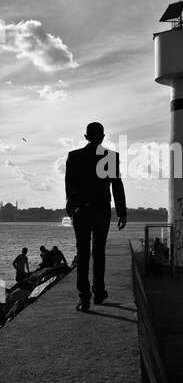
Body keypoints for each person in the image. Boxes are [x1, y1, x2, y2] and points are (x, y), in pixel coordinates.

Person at [65, 122, 127, 312]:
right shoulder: (110, 157)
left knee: (82, 255)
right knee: (98, 253)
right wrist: (122, 212)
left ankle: (84, 298)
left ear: (85, 137)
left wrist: (71, 206)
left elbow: (69, 185)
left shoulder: (74, 156)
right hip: (102, 211)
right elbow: (117, 185)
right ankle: (99, 292)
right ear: (102, 136)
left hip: (81, 211)